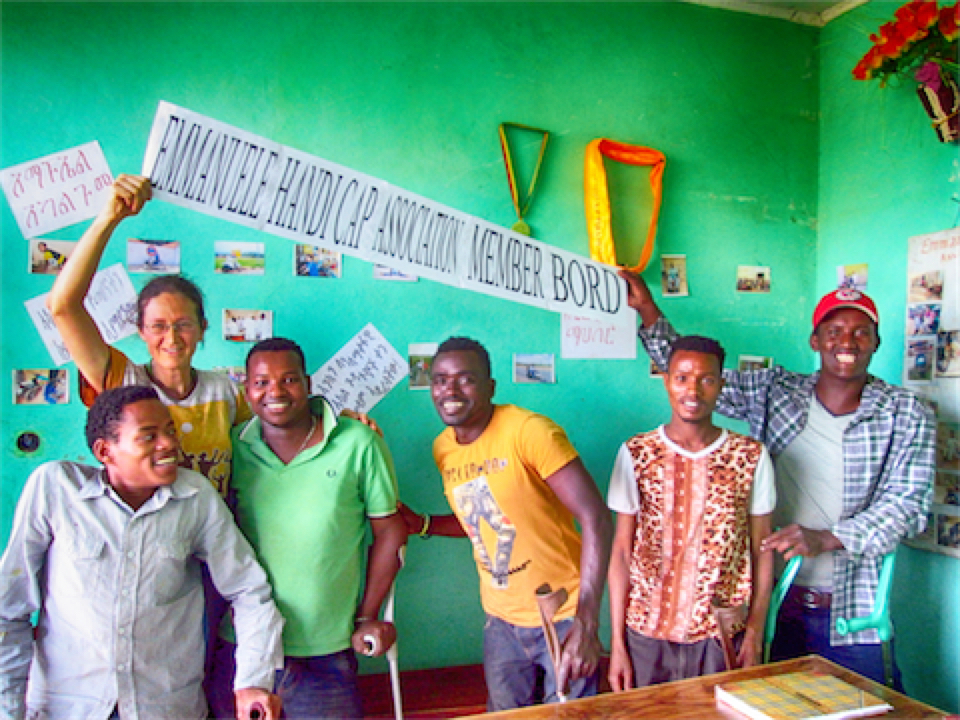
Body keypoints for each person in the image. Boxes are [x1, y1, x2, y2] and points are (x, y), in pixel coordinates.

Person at [619, 270, 935, 686]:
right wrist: (646, 308)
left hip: (853, 611)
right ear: (815, 341)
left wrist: (825, 537)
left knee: (873, 711)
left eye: (861, 333)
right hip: (774, 604)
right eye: (834, 330)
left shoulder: (905, 412)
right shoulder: (777, 391)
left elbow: (910, 507)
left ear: (876, 342)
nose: (847, 342)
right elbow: (696, 378)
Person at [0, 386, 284, 719]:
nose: (169, 444)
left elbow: (249, 590)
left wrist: (253, 680)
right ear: (105, 451)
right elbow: (10, 609)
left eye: (169, 431)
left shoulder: (195, 497)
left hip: (163, 707)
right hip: (67, 707)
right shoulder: (55, 489)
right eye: (148, 437)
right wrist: (9, 709)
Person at [400, 337, 613, 711]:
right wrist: (423, 524)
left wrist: (586, 625)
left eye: (465, 379)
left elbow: (596, 518)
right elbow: (482, 517)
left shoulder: (530, 432)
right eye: (439, 379)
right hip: (501, 621)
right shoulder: (443, 448)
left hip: (562, 615)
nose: (450, 390)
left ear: (490, 387)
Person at [208, 338, 406, 720]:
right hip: (242, 650)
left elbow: (391, 533)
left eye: (289, 380)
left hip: (325, 654)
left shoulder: (357, 442)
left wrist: (367, 616)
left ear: (308, 383)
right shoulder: (232, 448)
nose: (275, 392)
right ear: (246, 391)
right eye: (261, 382)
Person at [47, 174, 247, 497]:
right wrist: (109, 217)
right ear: (141, 332)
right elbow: (63, 306)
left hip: (212, 539)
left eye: (183, 324)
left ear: (202, 329)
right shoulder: (123, 382)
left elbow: (280, 434)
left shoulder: (227, 392)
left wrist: (346, 423)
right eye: (158, 326)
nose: (172, 337)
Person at [607, 335, 775, 691]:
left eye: (707, 379)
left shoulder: (750, 457)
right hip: (647, 634)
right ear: (666, 380)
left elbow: (763, 549)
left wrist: (756, 631)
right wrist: (618, 644)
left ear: (721, 385)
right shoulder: (637, 453)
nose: (693, 391)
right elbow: (622, 552)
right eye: (682, 378)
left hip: (720, 635)